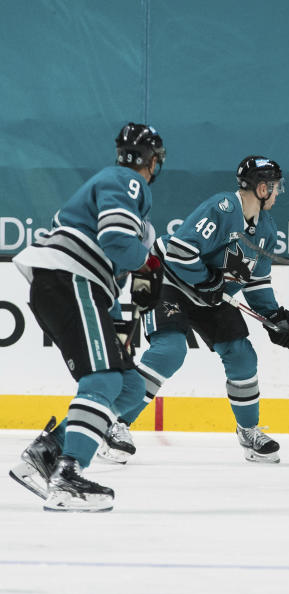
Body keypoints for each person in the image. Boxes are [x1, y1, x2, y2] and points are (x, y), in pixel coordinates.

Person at [9, 122, 166, 511]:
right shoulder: (127, 181)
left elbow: (118, 257)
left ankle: (45, 456)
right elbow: (115, 238)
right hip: (70, 277)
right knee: (104, 378)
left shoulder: (129, 204)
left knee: (128, 387)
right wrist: (147, 263)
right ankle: (66, 477)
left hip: (76, 285)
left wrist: (138, 281)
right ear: (153, 162)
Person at [110, 155, 289, 464]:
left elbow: (255, 280)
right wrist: (206, 281)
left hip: (209, 295)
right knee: (169, 351)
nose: (278, 192)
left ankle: (249, 432)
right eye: (275, 187)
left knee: (241, 354)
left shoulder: (267, 229)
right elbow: (180, 250)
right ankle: (116, 423)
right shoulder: (223, 208)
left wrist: (274, 317)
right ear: (262, 188)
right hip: (167, 279)